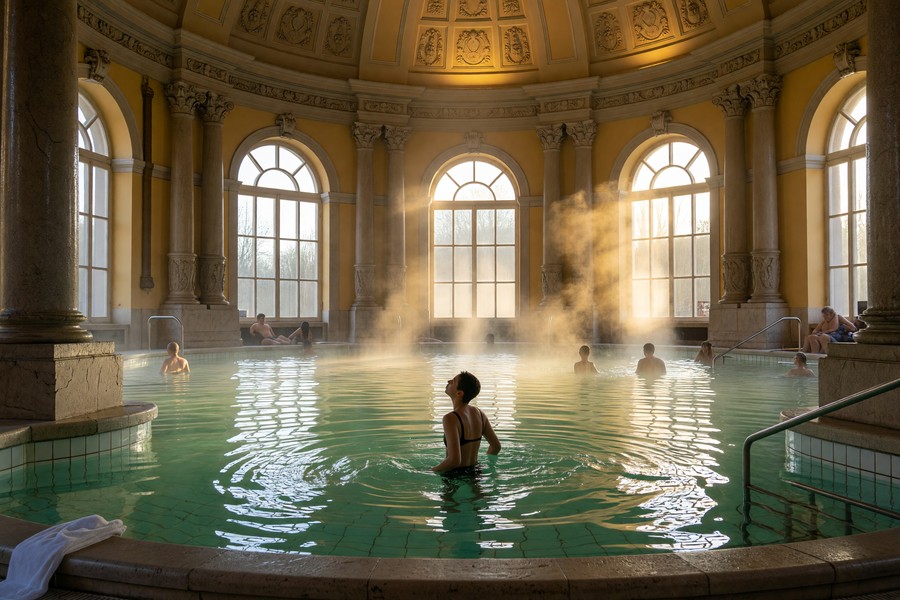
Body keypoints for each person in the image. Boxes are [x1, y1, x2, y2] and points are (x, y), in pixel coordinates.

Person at [433, 371, 501, 474]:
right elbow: (496, 446)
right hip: (476, 471)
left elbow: (454, 461)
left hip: (454, 475)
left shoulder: (450, 418)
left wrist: (430, 471)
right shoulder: (480, 414)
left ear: (459, 393)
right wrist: (489, 465)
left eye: (453, 381)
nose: (449, 381)